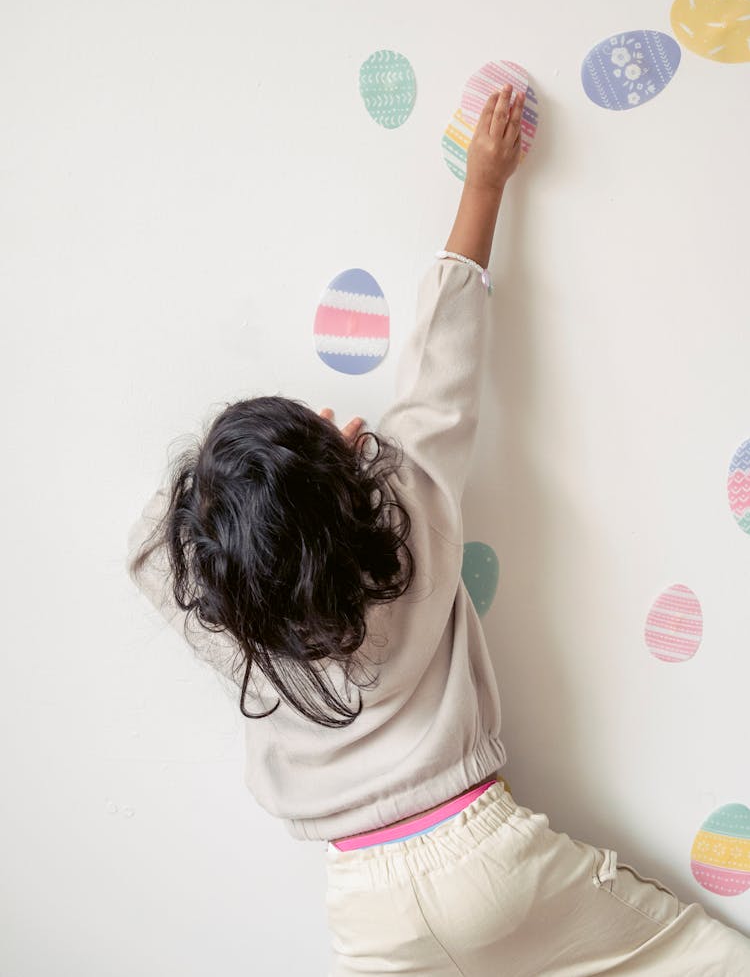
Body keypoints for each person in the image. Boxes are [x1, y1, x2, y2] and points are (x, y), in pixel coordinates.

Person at [127, 85, 750, 973]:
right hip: (485, 854)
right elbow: (443, 356)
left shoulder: (243, 625)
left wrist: (254, 515)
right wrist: (485, 187)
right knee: (683, 953)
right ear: (339, 469)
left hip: (366, 903)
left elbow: (149, 555)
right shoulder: (409, 501)